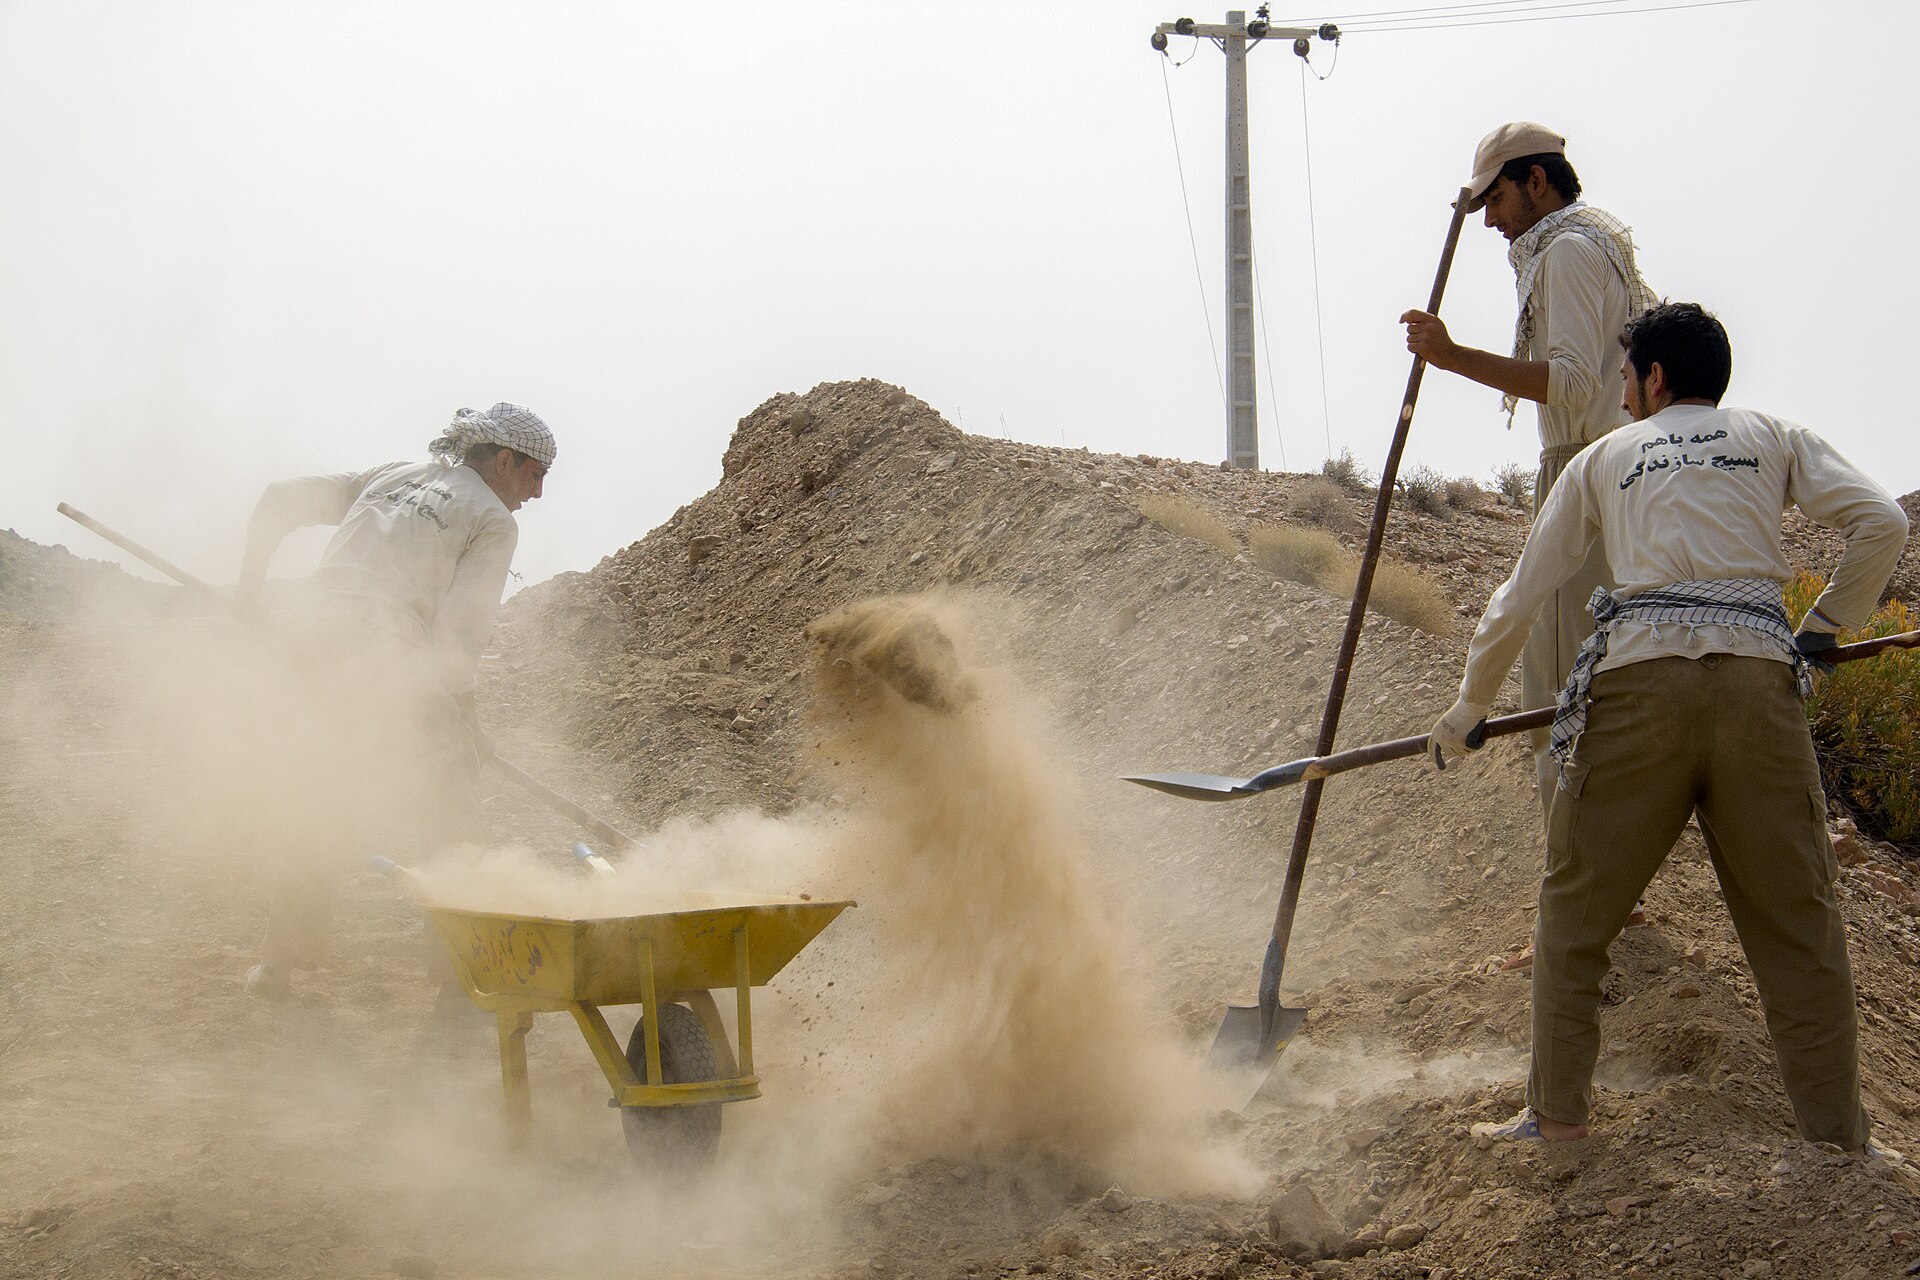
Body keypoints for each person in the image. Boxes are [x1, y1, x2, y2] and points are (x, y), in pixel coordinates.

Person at [1427, 304, 1908, 1152]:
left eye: (1625, 378)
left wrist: (1469, 709)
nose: (1620, 395)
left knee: (1573, 920)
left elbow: (1522, 594)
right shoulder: (1771, 435)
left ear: (1652, 378)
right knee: (1802, 929)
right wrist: (1824, 628)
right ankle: (1840, 1143)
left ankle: (1560, 1121)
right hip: (1760, 688)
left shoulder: (1604, 458)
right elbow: (1883, 522)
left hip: (1639, 689)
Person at [236, 403, 554, 998]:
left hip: (310, 650)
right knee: (450, 813)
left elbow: (280, 497)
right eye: (536, 476)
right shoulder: (491, 518)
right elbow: (457, 640)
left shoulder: (391, 475)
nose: (536, 494)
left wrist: (248, 593)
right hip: (388, 657)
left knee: (320, 801)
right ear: (505, 460)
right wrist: (467, 727)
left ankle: (279, 964)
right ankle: (462, 972)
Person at [1402, 121, 1660, 830]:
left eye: (1498, 199)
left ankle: (1577, 912)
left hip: (1584, 469)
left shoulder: (1569, 252)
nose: (1490, 220)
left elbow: (1575, 385)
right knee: (1601, 688)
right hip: (1630, 475)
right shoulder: (1599, 241)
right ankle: (1604, 894)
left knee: (1558, 692)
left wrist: (1451, 357)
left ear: (1536, 182)